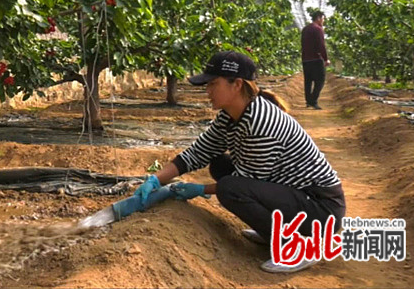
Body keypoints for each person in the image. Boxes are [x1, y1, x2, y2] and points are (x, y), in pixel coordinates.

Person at [135, 50, 345, 273]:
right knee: (220, 165)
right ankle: (275, 232)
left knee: (230, 188)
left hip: (320, 208)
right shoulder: (229, 115)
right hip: (295, 196)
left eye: (213, 84)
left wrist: (198, 188)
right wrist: (155, 179)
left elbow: (248, 179)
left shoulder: (261, 122)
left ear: (236, 85)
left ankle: (295, 247)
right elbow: (198, 153)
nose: (207, 91)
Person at [301, 12, 330, 109]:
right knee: (320, 80)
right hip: (316, 59)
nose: (323, 21)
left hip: (306, 59)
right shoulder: (318, 29)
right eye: (323, 18)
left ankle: (308, 101)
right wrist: (325, 59)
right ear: (318, 18)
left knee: (308, 81)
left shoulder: (305, 29)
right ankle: (313, 100)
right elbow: (321, 45)